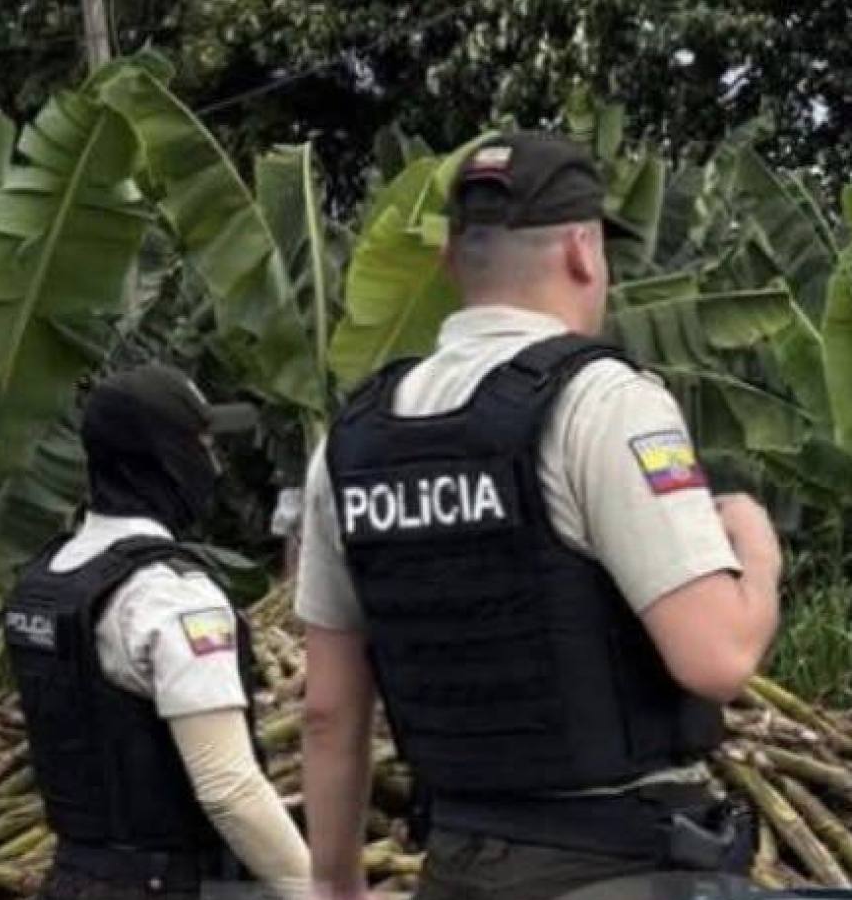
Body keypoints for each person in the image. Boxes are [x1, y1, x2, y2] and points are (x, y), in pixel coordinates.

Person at [299, 132, 784, 900]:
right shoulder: (605, 403)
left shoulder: (351, 442)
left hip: (456, 866)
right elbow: (716, 655)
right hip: (619, 868)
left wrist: (334, 880)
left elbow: (328, 711)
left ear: (450, 260)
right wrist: (757, 550)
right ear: (583, 251)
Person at [2, 365, 310, 900]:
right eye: (203, 445)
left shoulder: (47, 582)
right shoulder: (170, 596)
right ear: (165, 455)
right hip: (164, 883)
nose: (214, 464)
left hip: (72, 877)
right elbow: (229, 788)